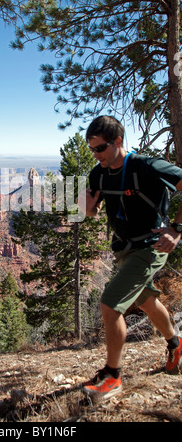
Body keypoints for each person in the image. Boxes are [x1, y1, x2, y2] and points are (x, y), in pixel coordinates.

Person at [79, 115, 182, 401]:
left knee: (110, 305)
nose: (96, 155)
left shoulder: (145, 166)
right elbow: (92, 211)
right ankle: (176, 343)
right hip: (124, 247)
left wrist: (176, 229)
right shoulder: (97, 173)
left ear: (118, 141)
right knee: (145, 300)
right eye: (92, 150)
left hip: (151, 246)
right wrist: (87, 207)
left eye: (100, 148)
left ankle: (113, 376)